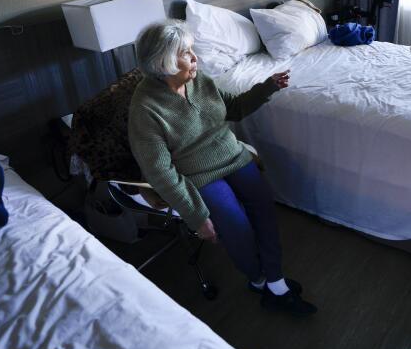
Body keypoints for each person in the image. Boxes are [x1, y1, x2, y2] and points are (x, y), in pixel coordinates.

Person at [128, 22, 317, 316]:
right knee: (236, 225)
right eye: (185, 53)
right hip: (198, 173)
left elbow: (235, 108)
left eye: (191, 50)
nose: (195, 58)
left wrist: (267, 87)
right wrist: (196, 216)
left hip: (232, 155)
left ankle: (275, 280)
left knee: (264, 208)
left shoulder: (199, 80)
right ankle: (258, 279)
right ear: (162, 62)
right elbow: (159, 171)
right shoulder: (145, 109)